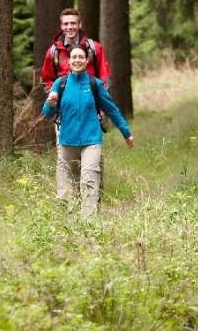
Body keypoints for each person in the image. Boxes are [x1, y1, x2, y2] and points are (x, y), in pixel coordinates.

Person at [42, 44, 134, 217]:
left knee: (89, 179)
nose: (77, 60)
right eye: (74, 57)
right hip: (67, 142)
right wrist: (49, 104)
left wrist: (126, 132)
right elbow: (47, 113)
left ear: (87, 60)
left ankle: (89, 224)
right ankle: (72, 220)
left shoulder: (95, 84)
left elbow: (112, 109)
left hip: (91, 140)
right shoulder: (60, 84)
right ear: (68, 61)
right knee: (72, 184)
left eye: (81, 57)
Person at [41, 8, 112, 92]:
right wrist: (55, 95)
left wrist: (99, 97)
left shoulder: (95, 48)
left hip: (90, 101)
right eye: (66, 24)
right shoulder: (53, 52)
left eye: (73, 23)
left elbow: (105, 78)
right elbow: (47, 80)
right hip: (64, 102)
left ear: (80, 24)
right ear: (61, 26)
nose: (69, 27)